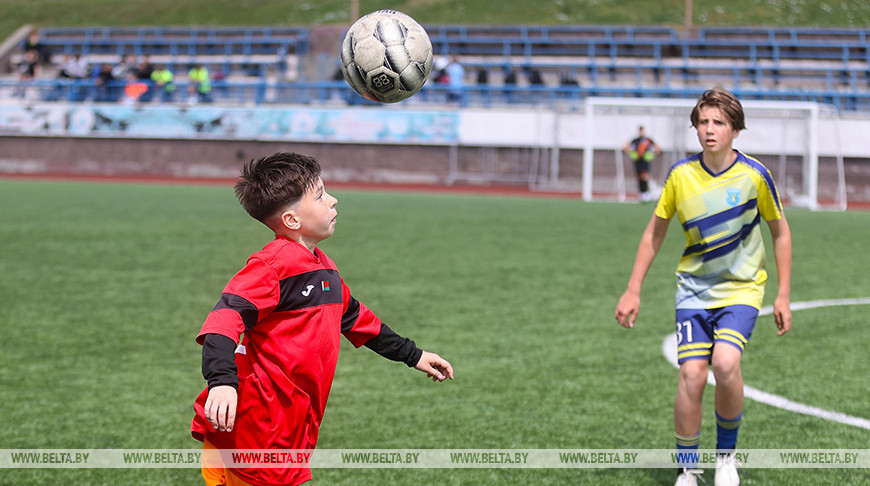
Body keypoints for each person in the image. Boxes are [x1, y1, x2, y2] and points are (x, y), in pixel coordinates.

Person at [190, 152, 454, 486]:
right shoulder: (272, 266)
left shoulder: (323, 267)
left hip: (291, 421)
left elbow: (357, 318)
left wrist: (413, 355)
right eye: (319, 195)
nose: (333, 200)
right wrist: (222, 382)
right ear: (291, 220)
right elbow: (224, 320)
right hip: (258, 423)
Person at [614, 88, 792, 486]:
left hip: (742, 289)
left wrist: (782, 295)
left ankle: (726, 458)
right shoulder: (680, 175)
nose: (709, 130)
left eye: (719, 123)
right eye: (703, 122)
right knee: (692, 375)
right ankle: (688, 469)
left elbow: (780, 233)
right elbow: (654, 234)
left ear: (735, 130)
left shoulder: (755, 175)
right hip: (694, 290)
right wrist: (633, 289)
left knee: (726, 363)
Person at [623, 125, 662, 202]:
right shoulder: (635, 140)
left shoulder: (648, 140)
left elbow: (658, 148)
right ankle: (641, 193)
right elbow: (626, 147)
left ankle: (646, 192)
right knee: (639, 176)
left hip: (645, 161)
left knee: (644, 176)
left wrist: (653, 155)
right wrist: (632, 154)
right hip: (638, 161)